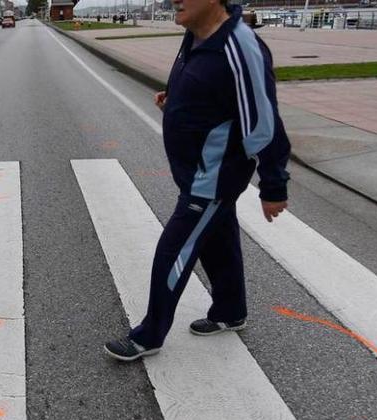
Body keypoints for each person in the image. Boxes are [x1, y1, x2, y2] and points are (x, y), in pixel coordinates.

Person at [104, 0, 290, 361]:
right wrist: (174, 102)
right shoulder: (195, 35)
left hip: (212, 178)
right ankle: (230, 311)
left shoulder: (240, 45)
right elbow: (206, 91)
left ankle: (149, 335)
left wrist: (274, 185)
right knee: (217, 240)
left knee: (175, 248)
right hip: (196, 171)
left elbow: (264, 123)